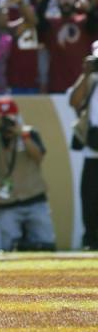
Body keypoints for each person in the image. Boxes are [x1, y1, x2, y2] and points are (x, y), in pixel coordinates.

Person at [0, 97, 55, 251]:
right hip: (7, 203)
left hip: (34, 198)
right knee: (9, 248)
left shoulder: (30, 133)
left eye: (10, 117)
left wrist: (23, 135)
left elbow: (38, 157)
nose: (7, 122)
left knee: (46, 245)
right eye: (3, 118)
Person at [69, 47, 98, 250]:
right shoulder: (91, 80)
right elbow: (74, 101)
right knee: (90, 197)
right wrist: (86, 73)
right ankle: (91, 239)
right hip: (93, 146)